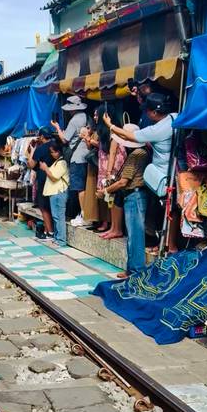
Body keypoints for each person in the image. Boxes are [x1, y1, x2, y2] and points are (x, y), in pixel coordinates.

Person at [97, 124, 150, 278]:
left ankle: (135, 271)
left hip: (135, 195)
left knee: (135, 236)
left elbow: (123, 182)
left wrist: (105, 191)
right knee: (133, 235)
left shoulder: (136, 155)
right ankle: (132, 269)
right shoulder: (143, 152)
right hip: (136, 195)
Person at [52, 95, 89, 227]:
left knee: (79, 188)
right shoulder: (86, 117)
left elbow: (65, 139)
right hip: (87, 154)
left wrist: (57, 128)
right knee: (86, 186)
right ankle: (86, 213)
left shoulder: (74, 121)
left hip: (77, 157)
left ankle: (84, 215)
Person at [95, 105, 127, 240]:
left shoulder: (113, 132)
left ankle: (116, 228)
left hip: (113, 169)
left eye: (97, 115)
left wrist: (108, 173)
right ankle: (113, 227)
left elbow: (113, 153)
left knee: (113, 198)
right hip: (107, 167)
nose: (95, 117)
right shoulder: (104, 133)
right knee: (110, 200)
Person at [40, 140, 69, 245]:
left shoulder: (62, 163)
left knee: (59, 216)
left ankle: (61, 240)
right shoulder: (56, 163)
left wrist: (45, 168)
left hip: (59, 192)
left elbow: (54, 177)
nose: (52, 154)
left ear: (58, 152)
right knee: (56, 216)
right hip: (54, 193)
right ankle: (57, 238)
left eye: (53, 152)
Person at [27, 127, 55, 239]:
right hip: (56, 177)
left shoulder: (40, 149)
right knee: (52, 205)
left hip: (44, 178)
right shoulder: (56, 145)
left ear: (42, 137)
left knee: (44, 206)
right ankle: (52, 230)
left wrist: (33, 149)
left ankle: (50, 232)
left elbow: (31, 164)